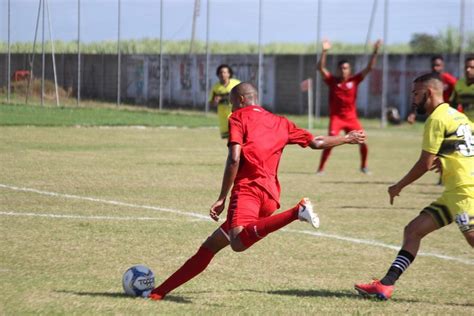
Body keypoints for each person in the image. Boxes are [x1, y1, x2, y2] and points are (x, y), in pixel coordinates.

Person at [149, 82, 367, 301]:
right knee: (211, 245)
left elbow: (234, 158)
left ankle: (297, 212)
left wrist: (222, 197)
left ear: (242, 100)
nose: (231, 107)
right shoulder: (281, 121)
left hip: (248, 191)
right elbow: (316, 142)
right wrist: (347, 138)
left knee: (237, 242)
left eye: (232, 102)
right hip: (271, 196)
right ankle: (158, 292)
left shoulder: (237, 117)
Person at [355, 73, 474, 300]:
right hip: (454, 192)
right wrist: (448, 156)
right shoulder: (457, 116)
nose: (412, 98)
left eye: (416, 93)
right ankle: (385, 285)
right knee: (413, 230)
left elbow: (423, 164)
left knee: (471, 238)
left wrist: (398, 186)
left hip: (464, 191)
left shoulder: (437, 119)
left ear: (428, 93)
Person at [316, 39, 382, 174]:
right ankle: (321, 169)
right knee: (330, 141)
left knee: (363, 142)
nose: (343, 70)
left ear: (349, 70)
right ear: (337, 70)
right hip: (336, 118)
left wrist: (375, 51)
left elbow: (369, 68)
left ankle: (364, 166)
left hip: (351, 118)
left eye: (345, 68)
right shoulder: (332, 81)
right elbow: (320, 68)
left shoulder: (354, 80)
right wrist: (324, 51)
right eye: (341, 68)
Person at [407, 55, 457, 124]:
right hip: (433, 112)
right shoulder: (427, 81)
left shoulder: (449, 79)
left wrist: (454, 107)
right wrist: (412, 113)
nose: (435, 68)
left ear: (443, 66)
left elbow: (458, 92)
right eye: (433, 65)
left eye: (438, 65)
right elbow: (418, 97)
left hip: (448, 113)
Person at [209, 64, 241, 139]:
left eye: (224, 72)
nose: (222, 74)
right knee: (229, 140)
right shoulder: (216, 87)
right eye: (220, 72)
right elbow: (211, 103)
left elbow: (244, 96)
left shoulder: (236, 84)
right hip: (223, 118)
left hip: (235, 116)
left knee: (237, 137)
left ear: (229, 74)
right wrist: (215, 102)